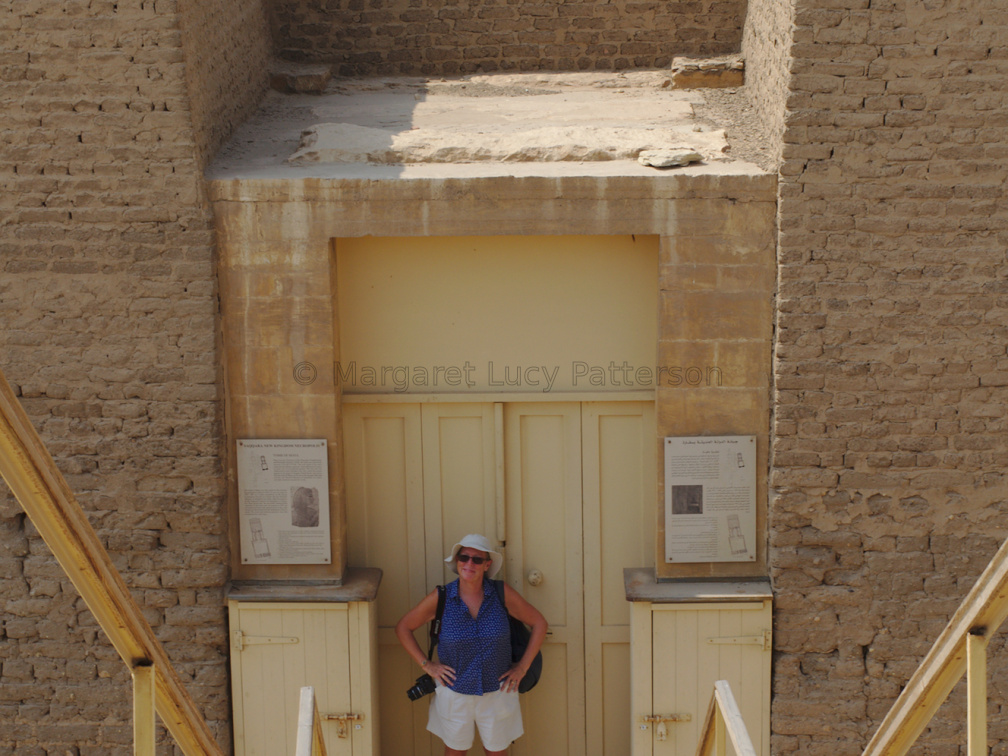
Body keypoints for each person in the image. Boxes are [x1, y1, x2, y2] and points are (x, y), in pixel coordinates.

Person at [395, 534, 548, 756]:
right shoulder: (442, 597)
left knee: (497, 753)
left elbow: (539, 623)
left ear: (487, 565)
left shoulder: (500, 593)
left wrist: (522, 667)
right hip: (455, 693)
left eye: (477, 559)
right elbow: (403, 627)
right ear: (457, 562)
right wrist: (427, 665)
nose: (469, 564)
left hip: (497, 692)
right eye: (464, 557)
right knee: (455, 752)